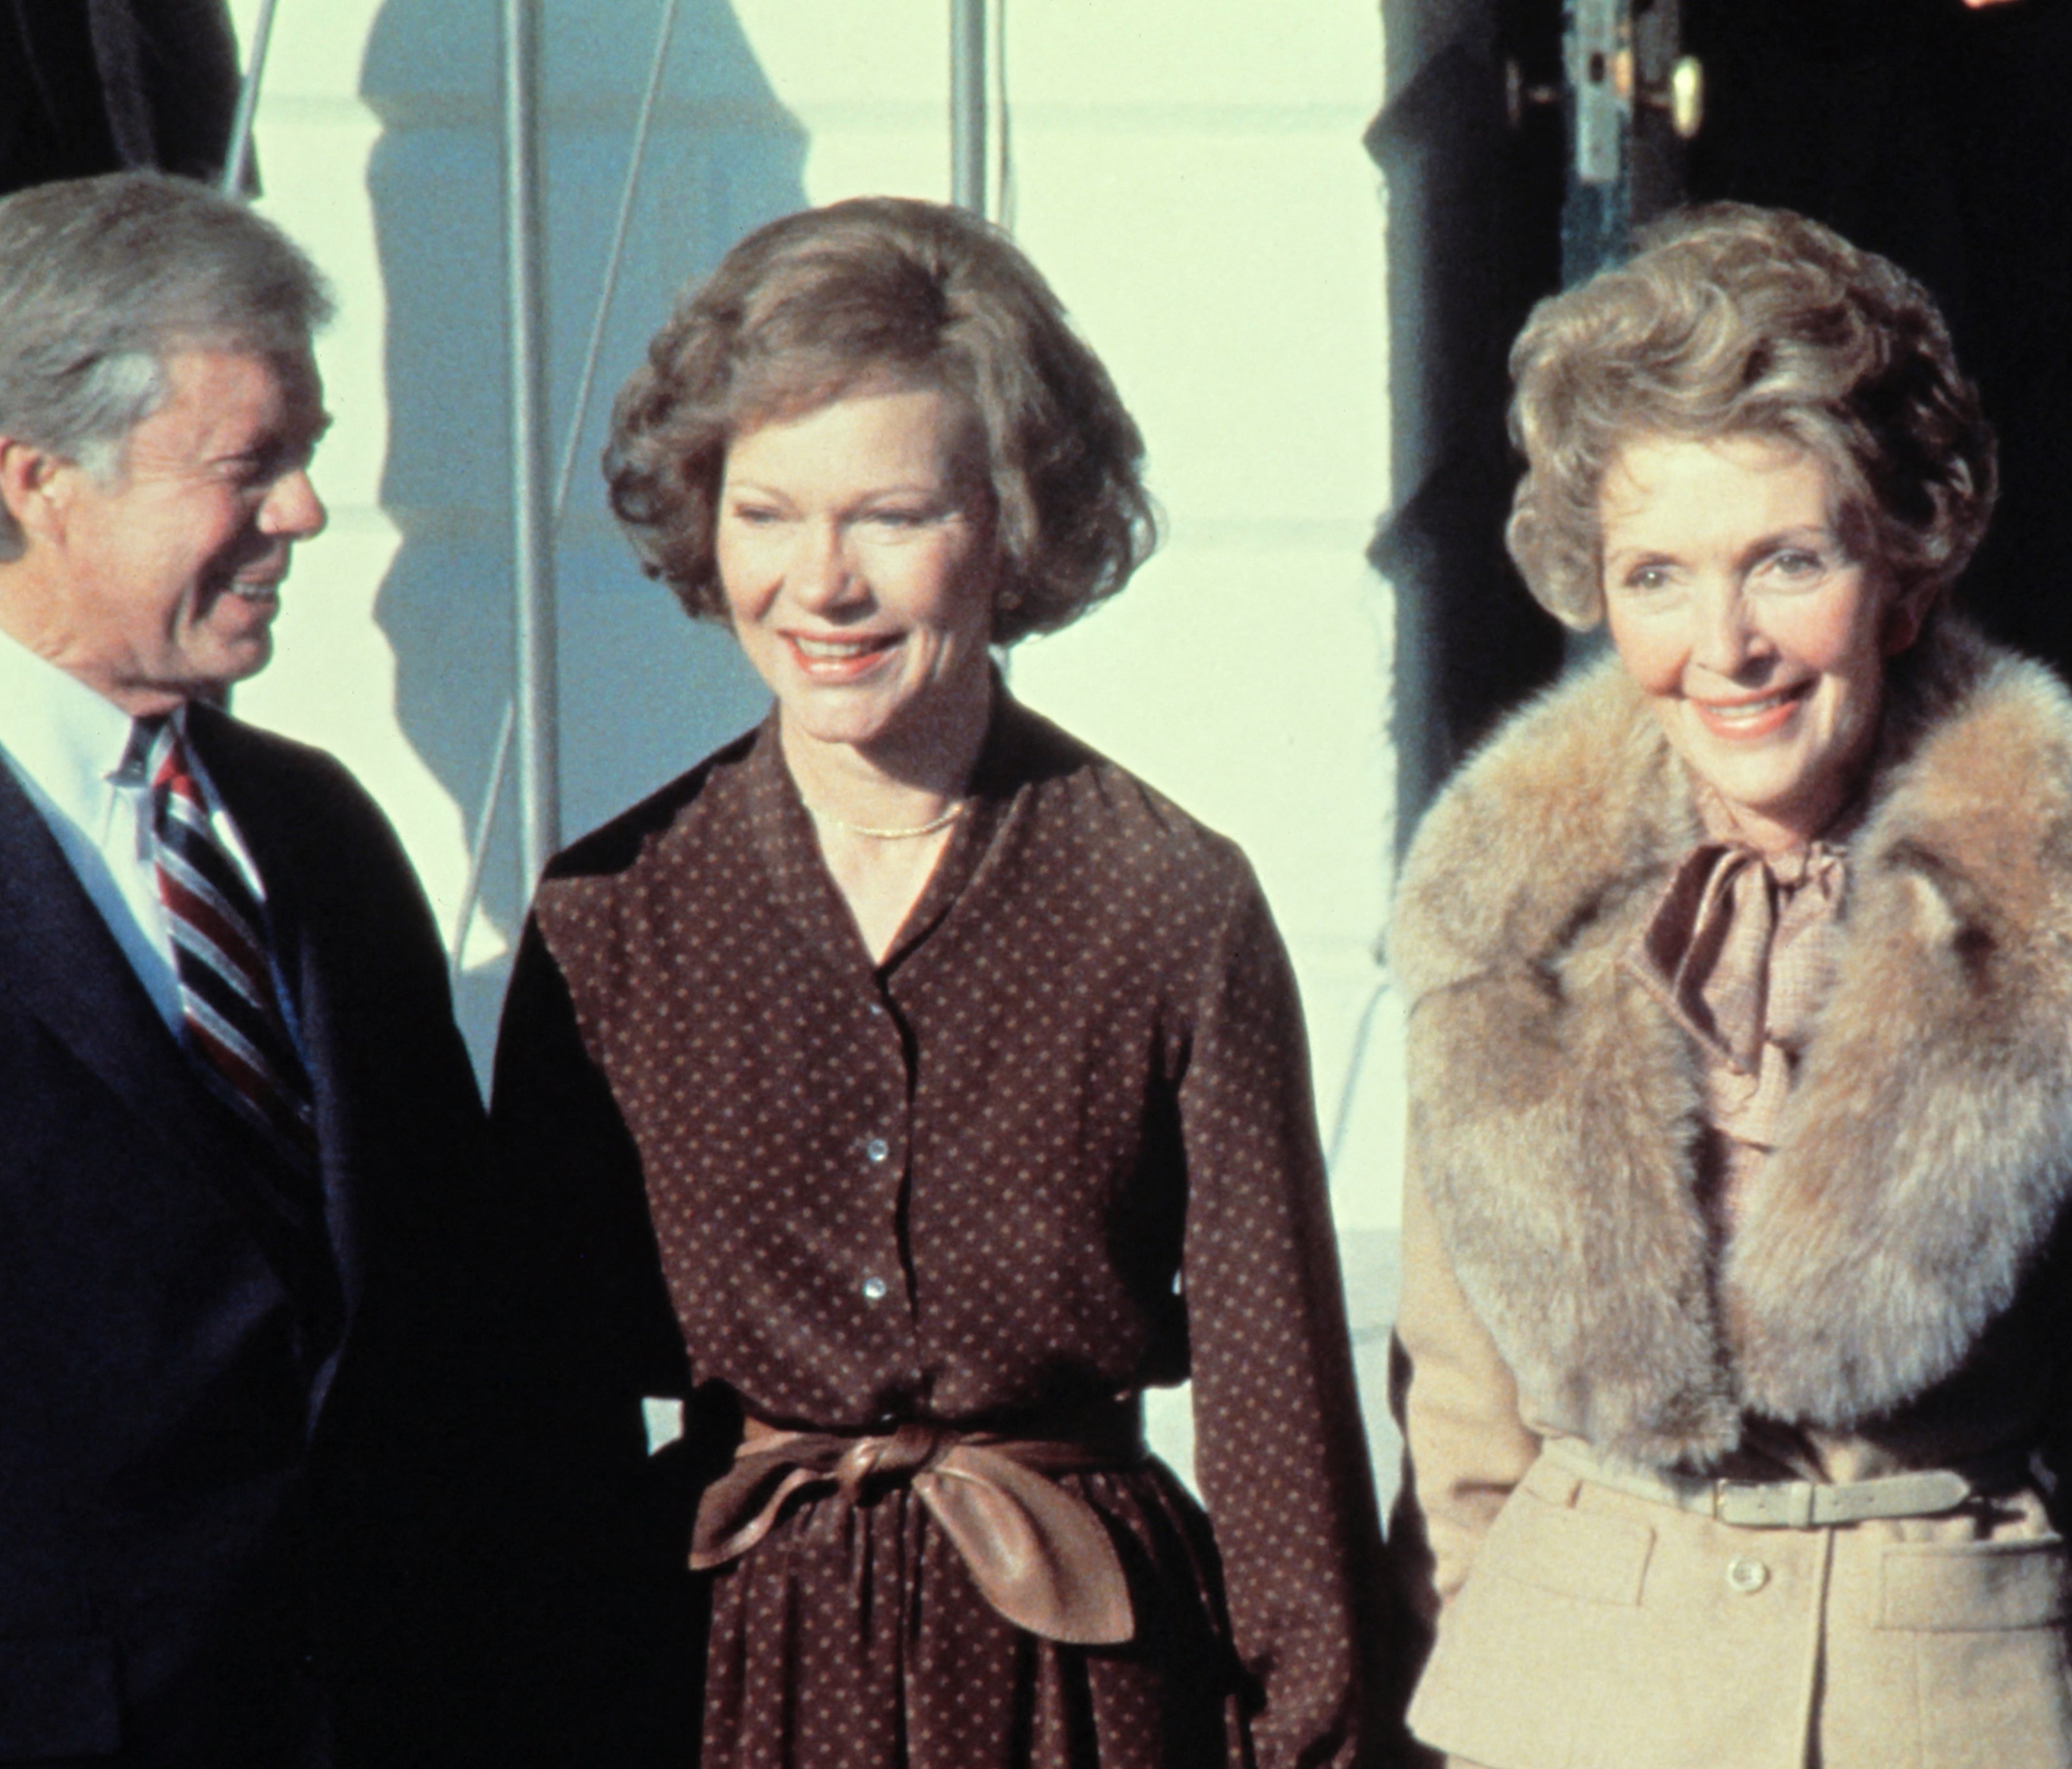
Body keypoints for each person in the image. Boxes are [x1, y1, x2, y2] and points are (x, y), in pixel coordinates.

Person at [488, 196, 1384, 1769]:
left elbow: (1278, 1408)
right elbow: (526, 1429)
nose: (820, 584)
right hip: (712, 1686)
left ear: (1012, 523)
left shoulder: (1170, 898)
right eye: (767, 514)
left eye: (891, 516)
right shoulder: (610, 917)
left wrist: (1301, 1733)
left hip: (1084, 1688)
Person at [1387, 204, 2072, 1769]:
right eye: (1658, 574)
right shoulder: (1504, 908)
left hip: (1950, 1714)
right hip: (1575, 1707)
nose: (1726, 643)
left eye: (1787, 561)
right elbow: (1459, 1428)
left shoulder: (2069, 909)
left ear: (1899, 568)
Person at [0, 172, 500, 1764]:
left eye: (307, 457)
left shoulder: (315, 834)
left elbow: (446, 1324)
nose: (301, 513)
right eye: (248, 465)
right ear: (39, 483)